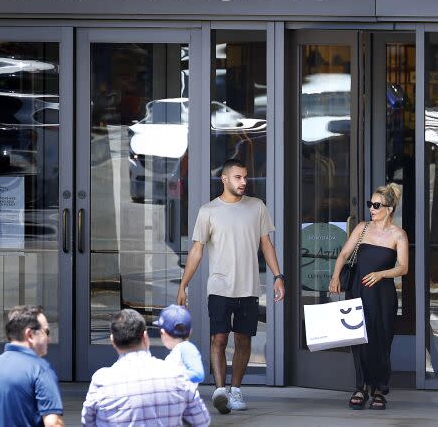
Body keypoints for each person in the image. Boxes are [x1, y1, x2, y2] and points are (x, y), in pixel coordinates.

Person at [177, 159, 285, 414]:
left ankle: (235, 390)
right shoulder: (208, 211)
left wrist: (279, 276)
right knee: (219, 338)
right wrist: (184, 285)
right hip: (219, 287)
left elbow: (266, 244)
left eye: (245, 177)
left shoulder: (257, 207)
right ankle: (219, 390)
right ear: (224, 179)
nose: (243, 182)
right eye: (238, 177)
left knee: (243, 340)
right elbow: (196, 250)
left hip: (248, 287)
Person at [328, 183, 409, 411]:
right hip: (358, 290)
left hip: (382, 296)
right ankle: (361, 387)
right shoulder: (362, 228)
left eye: (376, 205)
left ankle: (379, 389)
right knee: (359, 340)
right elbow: (344, 253)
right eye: (370, 204)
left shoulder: (398, 235)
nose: (371, 209)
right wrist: (335, 277)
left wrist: (381, 274)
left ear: (390, 208)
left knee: (381, 341)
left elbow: (403, 268)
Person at [81, 309, 210, 427]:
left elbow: (88, 422)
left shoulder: (101, 380)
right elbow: (201, 421)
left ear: (113, 341)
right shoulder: (177, 375)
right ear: (145, 337)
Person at [0, 305, 64, 427]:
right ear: (30, 335)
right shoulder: (40, 369)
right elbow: (53, 423)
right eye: (46, 332)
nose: (49, 338)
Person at [154, 304, 204, 385]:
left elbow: (198, 374)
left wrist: (168, 377)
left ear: (163, 333)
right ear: (190, 332)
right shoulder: (180, 349)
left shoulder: (186, 348)